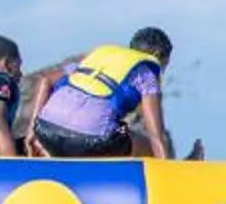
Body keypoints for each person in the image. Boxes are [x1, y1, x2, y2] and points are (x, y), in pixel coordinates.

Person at [27, 28, 181, 159]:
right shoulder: (146, 74)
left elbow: (45, 81)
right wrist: (167, 172)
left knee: (116, 131)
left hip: (44, 131)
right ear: (158, 54)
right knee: (144, 144)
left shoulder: (100, 57)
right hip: (89, 142)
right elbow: (156, 136)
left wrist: (31, 132)